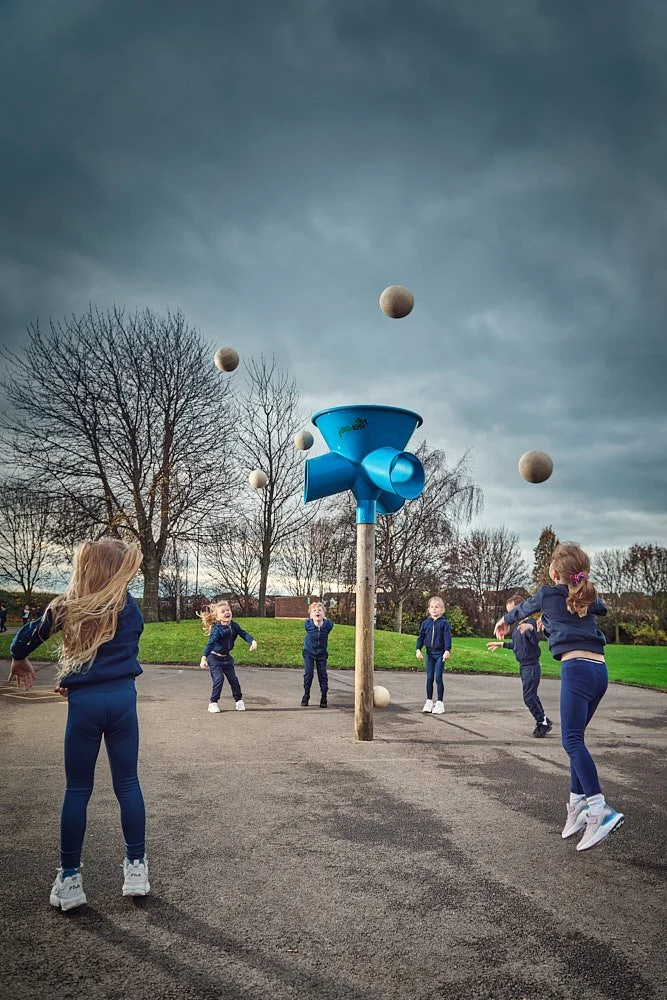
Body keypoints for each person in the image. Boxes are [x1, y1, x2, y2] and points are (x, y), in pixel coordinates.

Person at [6, 537, 149, 910]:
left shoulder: (66, 607)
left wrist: (23, 661)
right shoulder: (130, 609)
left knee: (78, 789)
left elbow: (23, 641)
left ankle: (70, 878)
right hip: (122, 702)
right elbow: (120, 651)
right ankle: (136, 868)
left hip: (84, 706)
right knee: (128, 784)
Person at [495, 541, 624, 852]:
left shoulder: (548, 592)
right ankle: (577, 804)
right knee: (575, 739)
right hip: (599, 672)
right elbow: (599, 608)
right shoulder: (587, 596)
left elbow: (523, 608)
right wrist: (553, 621)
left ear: (554, 573)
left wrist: (504, 621)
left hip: (577, 670)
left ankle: (599, 809)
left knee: (572, 742)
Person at [487, 592, 552, 737]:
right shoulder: (518, 627)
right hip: (523, 666)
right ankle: (544, 720)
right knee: (532, 696)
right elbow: (517, 646)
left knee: (529, 697)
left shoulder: (529, 623)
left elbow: (534, 639)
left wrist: (530, 630)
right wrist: (502, 644)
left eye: (513, 612)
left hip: (532, 666)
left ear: (522, 610)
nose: (511, 616)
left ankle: (542, 722)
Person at [199, 600, 257, 712]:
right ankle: (213, 703)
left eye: (228, 610)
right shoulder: (217, 629)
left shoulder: (234, 625)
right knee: (219, 679)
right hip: (214, 658)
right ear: (217, 616)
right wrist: (204, 657)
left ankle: (239, 701)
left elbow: (243, 633)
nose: (227, 612)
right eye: (223, 611)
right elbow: (210, 644)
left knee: (233, 680)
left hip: (226, 658)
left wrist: (252, 641)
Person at [416, 596, 452, 715]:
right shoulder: (425, 623)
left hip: (440, 654)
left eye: (437, 607)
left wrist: (447, 650)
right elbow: (421, 637)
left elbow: (447, 638)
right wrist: (418, 649)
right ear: (429, 609)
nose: (434, 609)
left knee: (438, 678)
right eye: (432, 607)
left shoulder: (444, 624)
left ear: (442, 610)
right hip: (429, 654)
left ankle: (440, 702)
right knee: (429, 678)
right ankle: (429, 701)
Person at [301, 601, 334, 708]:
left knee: (323, 675)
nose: (317, 612)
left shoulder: (328, 625)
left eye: (319, 610)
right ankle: (306, 694)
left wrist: (321, 624)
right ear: (311, 615)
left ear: (324, 613)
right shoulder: (308, 625)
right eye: (314, 611)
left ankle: (324, 697)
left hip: (321, 654)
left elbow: (327, 624)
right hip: (309, 653)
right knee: (308, 674)